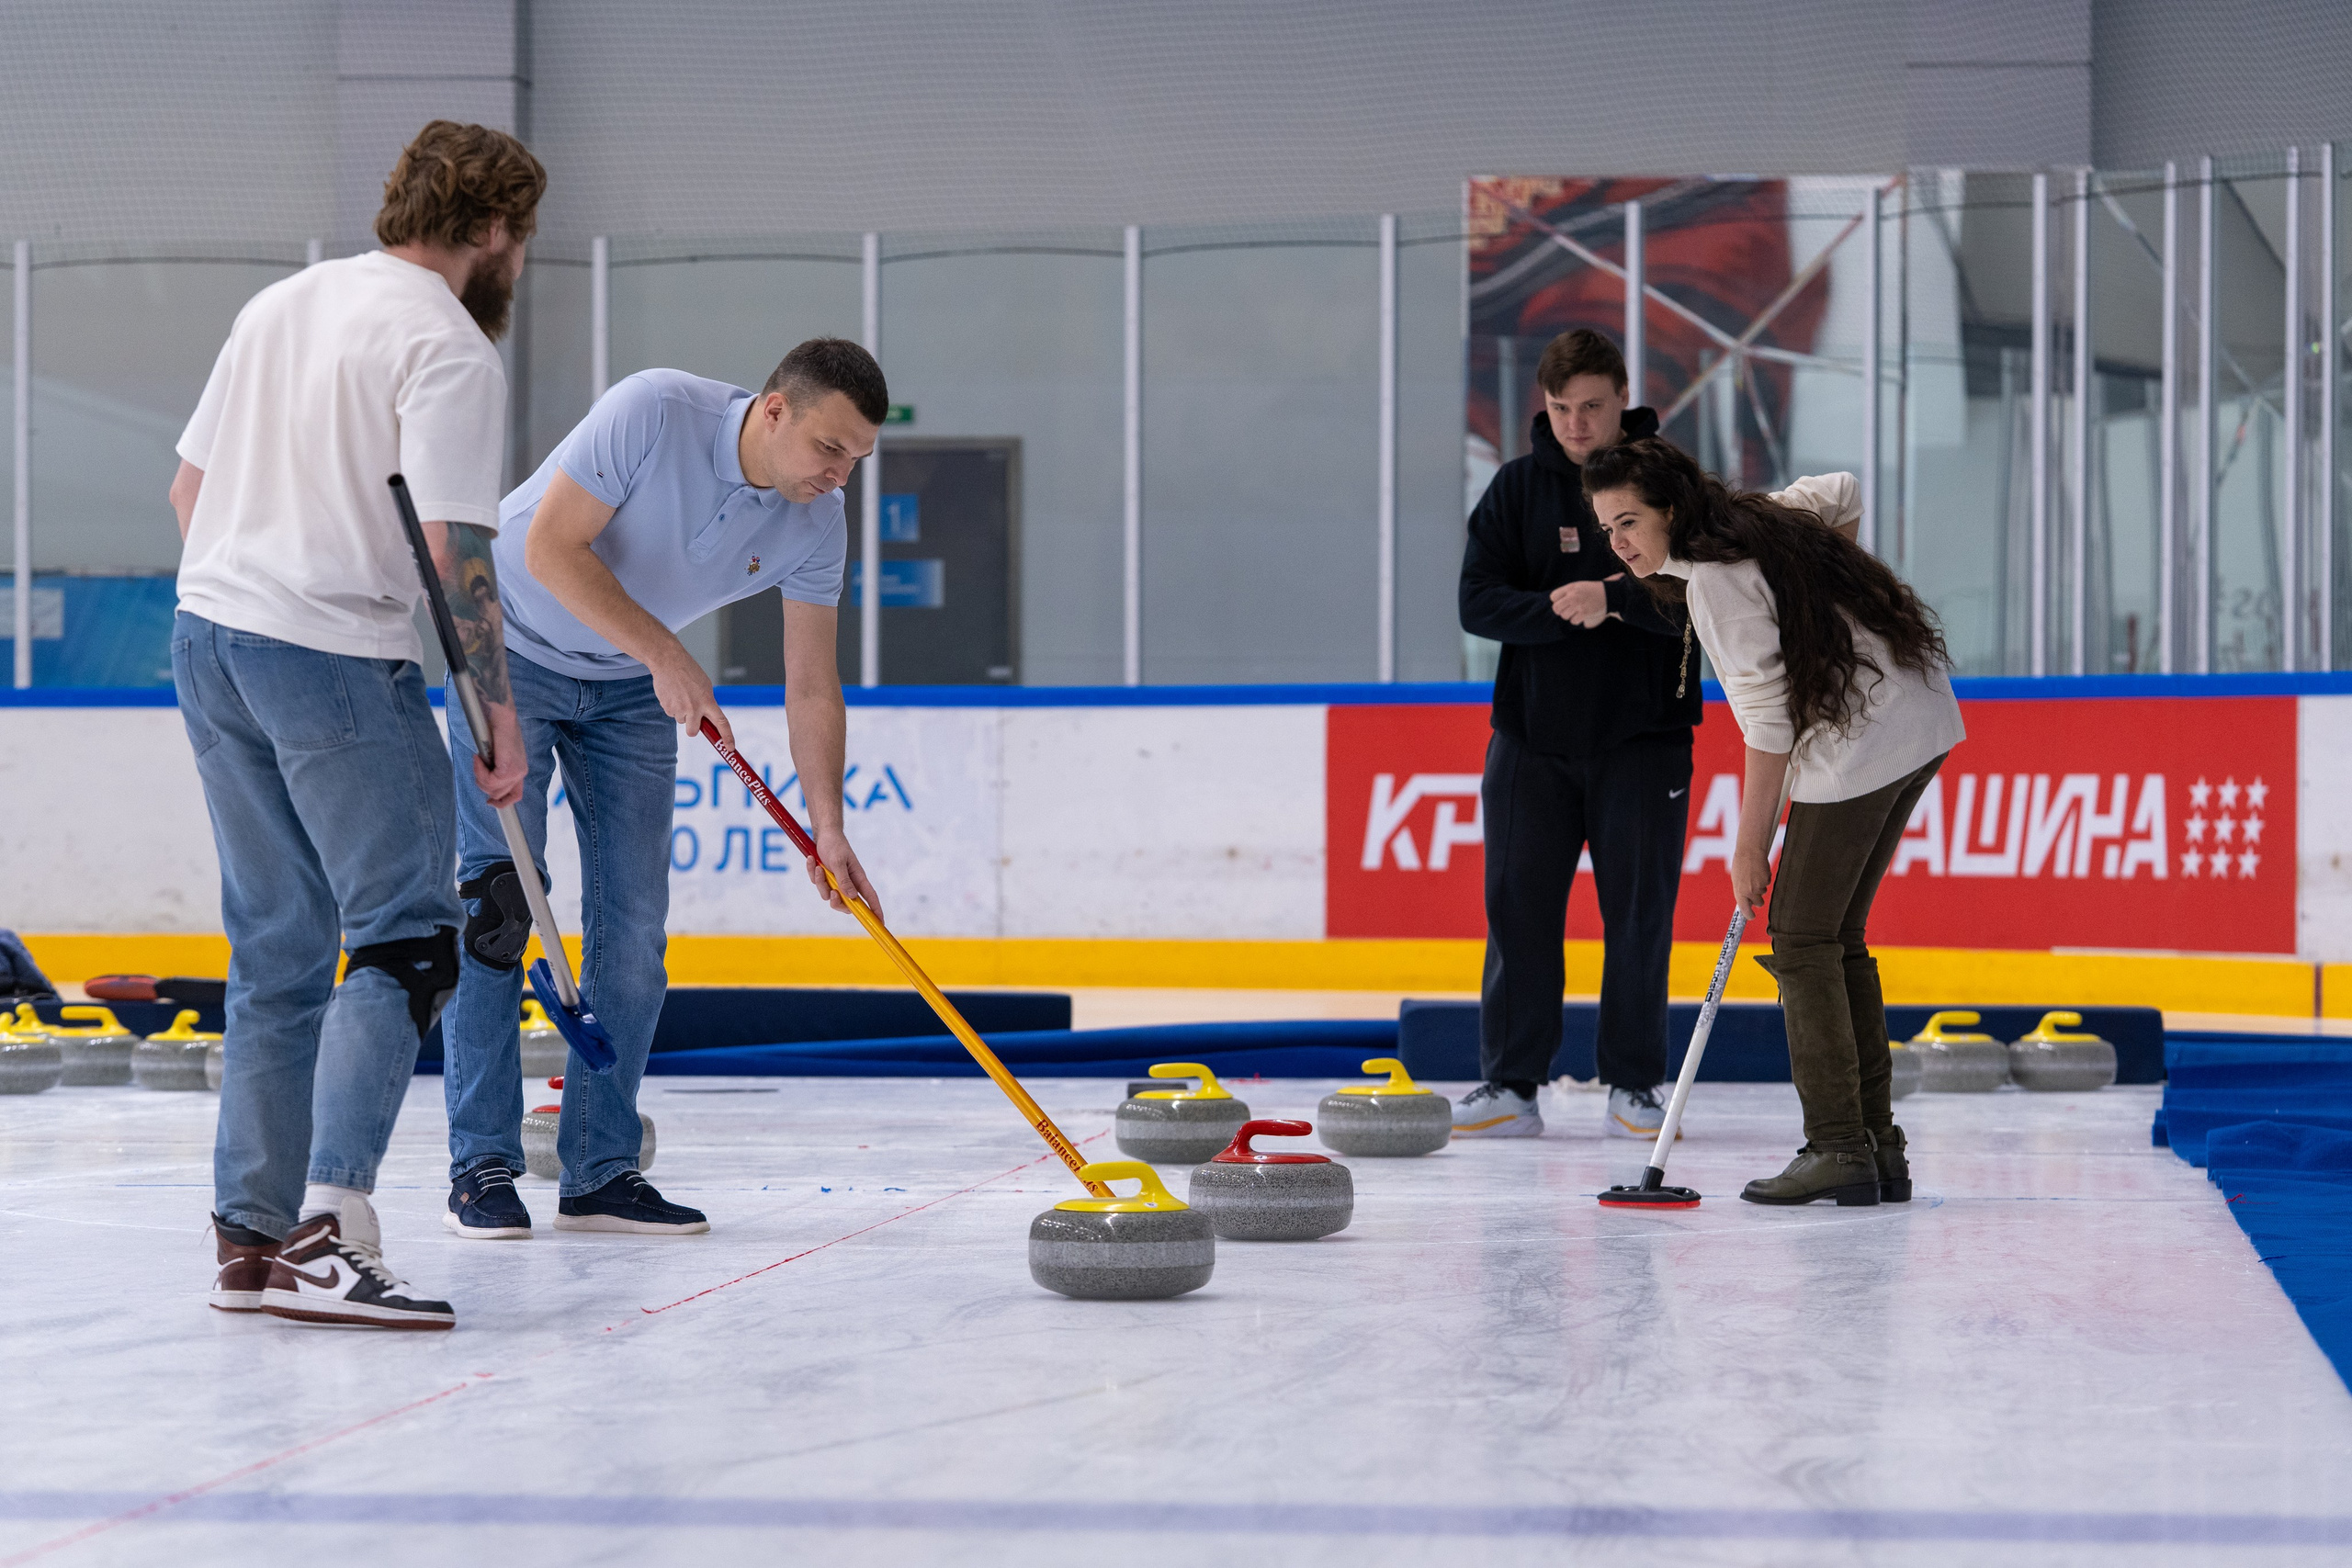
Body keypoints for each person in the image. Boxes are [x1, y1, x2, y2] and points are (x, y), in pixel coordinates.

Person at [171, 120, 544, 1328]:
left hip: (210, 634)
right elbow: (454, 551)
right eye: (523, 239)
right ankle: (330, 1226)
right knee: (409, 936)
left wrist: (260, 589)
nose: (519, 263)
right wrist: (496, 713)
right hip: (332, 653)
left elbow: (190, 491)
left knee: (280, 944)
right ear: (493, 229)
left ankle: (252, 1239)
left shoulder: (283, 303)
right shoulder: (446, 343)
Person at [438, 340, 888, 1238]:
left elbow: (811, 686)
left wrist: (827, 826)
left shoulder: (816, 522)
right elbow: (551, 547)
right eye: (829, 450)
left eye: (858, 461)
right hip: (507, 651)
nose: (839, 477)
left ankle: (599, 1171)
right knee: (500, 906)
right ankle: (480, 1164)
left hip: (626, 693)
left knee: (635, 935)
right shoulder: (652, 411)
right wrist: (667, 656)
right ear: (773, 411)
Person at [1584, 437, 1965, 1206]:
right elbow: (1844, 491)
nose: (1619, 544)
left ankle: (1838, 1148)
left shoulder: (1714, 585)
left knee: (1799, 938)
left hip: (1865, 742)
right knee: (1832, 936)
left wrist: (1749, 843)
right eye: (1606, 529)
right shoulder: (1760, 520)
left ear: (1670, 509)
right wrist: (1822, 610)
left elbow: (1768, 726)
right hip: (1919, 718)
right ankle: (1874, 1146)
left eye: (1629, 521)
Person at [1454, 329, 1698, 1141]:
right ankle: (1510, 1083)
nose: (1576, 423)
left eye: (1592, 406)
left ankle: (1634, 1084)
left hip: (1645, 737)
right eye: (1561, 408)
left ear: (1622, 398)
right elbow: (1475, 601)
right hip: (1530, 742)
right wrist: (1562, 609)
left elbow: (1705, 597)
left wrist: (1615, 600)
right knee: (1518, 911)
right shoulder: (1516, 488)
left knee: (1637, 914)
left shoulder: (1671, 484)